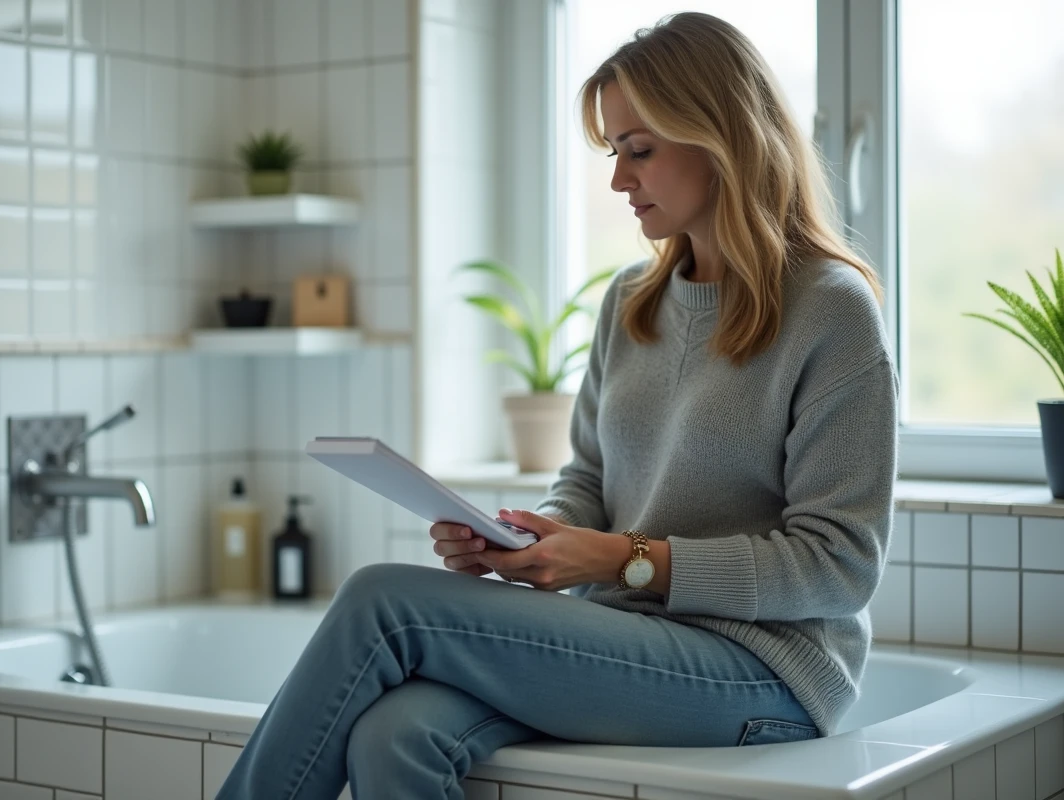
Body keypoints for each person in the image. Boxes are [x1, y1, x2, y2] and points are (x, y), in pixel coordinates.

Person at [217, 11, 897, 800]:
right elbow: (587, 482)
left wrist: (617, 557)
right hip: (626, 639)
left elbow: (838, 567)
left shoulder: (830, 310)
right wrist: (525, 540)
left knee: (384, 601)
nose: (618, 180)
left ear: (724, 138)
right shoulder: (632, 303)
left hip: (765, 675)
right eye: (615, 154)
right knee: (393, 735)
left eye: (639, 151)